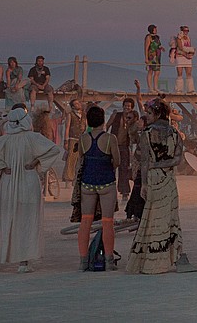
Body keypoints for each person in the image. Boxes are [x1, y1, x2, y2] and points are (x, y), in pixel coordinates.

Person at [0, 106, 64, 274]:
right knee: (27, 221)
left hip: (8, 183)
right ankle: (23, 263)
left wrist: (1, 167)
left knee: (3, 220)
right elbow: (53, 149)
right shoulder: (33, 138)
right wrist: (36, 162)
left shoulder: (5, 140)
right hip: (28, 180)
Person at [126, 98, 197, 274]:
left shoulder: (147, 133)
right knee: (170, 217)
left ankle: (150, 261)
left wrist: (145, 180)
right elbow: (178, 159)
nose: (147, 117)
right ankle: (170, 258)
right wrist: (164, 164)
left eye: (149, 113)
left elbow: (141, 159)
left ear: (157, 114)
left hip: (152, 178)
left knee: (151, 218)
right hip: (169, 179)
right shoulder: (174, 133)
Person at [76, 105, 120, 270]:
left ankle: (83, 261)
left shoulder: (83, 138)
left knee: (85, 221)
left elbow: (81, 158)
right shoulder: (110, 138)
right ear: (103, 120)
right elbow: (117, 161)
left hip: (87, 183)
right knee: (107, 222)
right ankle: (108, 261)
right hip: (107, 182)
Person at [108, 97, 140, 201]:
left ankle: (124, 192)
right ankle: (109, 191)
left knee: (124, 170)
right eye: (125, 105)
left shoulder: (133, 119)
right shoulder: (116, 116)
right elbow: (107, 125)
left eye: (129, 106)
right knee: (110, 169)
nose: (127, 108)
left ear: (132, 108)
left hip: (125, 147)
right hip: (113, 146)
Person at [173, 26, 195, 94]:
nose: (186, 32)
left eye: (187, 31)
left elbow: (188, 46)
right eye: (185, 31)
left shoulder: (188, 38)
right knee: (180, 73)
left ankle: (190, 89)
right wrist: (188, 51)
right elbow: (180, 47)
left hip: (187, 57)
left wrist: (191, 52)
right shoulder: (179, 38)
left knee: (189, 73)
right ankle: (179, 89)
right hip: (180, 56)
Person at [144, 25, 163, 93]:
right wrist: (146, 58)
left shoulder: (157, 37)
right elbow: (146, 48)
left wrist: (161, 48)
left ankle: (155, 87)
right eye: (155, 29)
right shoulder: (148, 37)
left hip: (158, 56)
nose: (156, 30)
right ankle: (150, 88)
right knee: (150, 71)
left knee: (157, 72)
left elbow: (158, 45)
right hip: (151, 55)